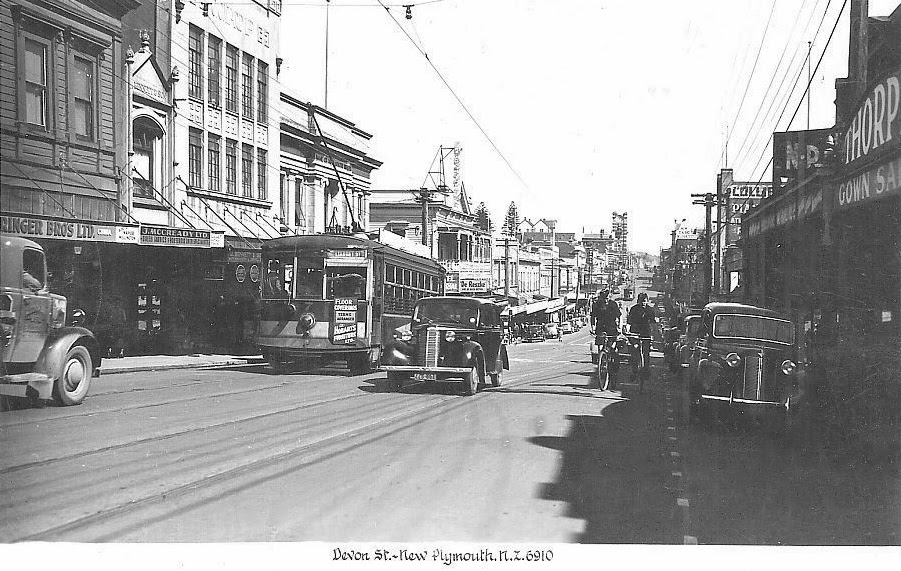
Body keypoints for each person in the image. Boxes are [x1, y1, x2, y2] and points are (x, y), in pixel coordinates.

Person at [591, 289, 622, 390]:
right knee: (600, 346)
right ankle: (601, 363)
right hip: (600, 328)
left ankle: (613, 368)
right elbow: (592, 317)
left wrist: (620, 327)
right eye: (604, 297)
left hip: (612, 329)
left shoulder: (613, 304)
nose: (606, 300)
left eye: (608, 297)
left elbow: (619, 316)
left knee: (613, 350)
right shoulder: (597, 305)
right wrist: (592, 327)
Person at [627, 292, 657, 392]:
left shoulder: (650, 310)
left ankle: (646, 369)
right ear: (638, 301)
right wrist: (628, 331)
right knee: (634, 349)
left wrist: (653, 336)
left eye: (645, 301)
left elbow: (653, 324)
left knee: (646, 352)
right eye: (641, 301)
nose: (643, 303)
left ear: (647, 301)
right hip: (635, 332)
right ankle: (634, 369)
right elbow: (629, 322)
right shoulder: (634, 309)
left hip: (646, 333)